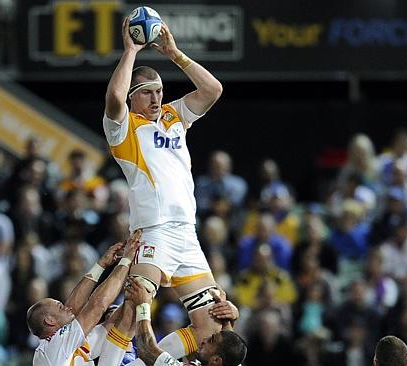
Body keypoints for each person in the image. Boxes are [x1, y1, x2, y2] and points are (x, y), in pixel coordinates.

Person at [103, 15, 226, 361]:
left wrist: (175, 54)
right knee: (133, 307)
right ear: (134, 98)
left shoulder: (174, 117)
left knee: (212, 326)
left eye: (159, 91)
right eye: (147, 93)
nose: (157, 99)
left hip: (187, 235)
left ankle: (151, 360)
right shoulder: (124, 130)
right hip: (153, 232)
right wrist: (130, 50)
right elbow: (114, 95)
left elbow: (213, 90)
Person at [27, 232, 142, 365]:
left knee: (124, 316)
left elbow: (76, 309)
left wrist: (101, 264)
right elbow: (97, 305)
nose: (66, 307)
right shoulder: (55, 345)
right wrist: (126, 260)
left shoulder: (68, 344)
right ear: (50, 320)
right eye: (60, 306)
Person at [127, 277, 247, 366]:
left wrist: (142, 305)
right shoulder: (229, 362)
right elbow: (231, 348)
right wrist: (229, 314)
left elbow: (147, 350)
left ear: (215, 360)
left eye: (210, 340)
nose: (204, 339)